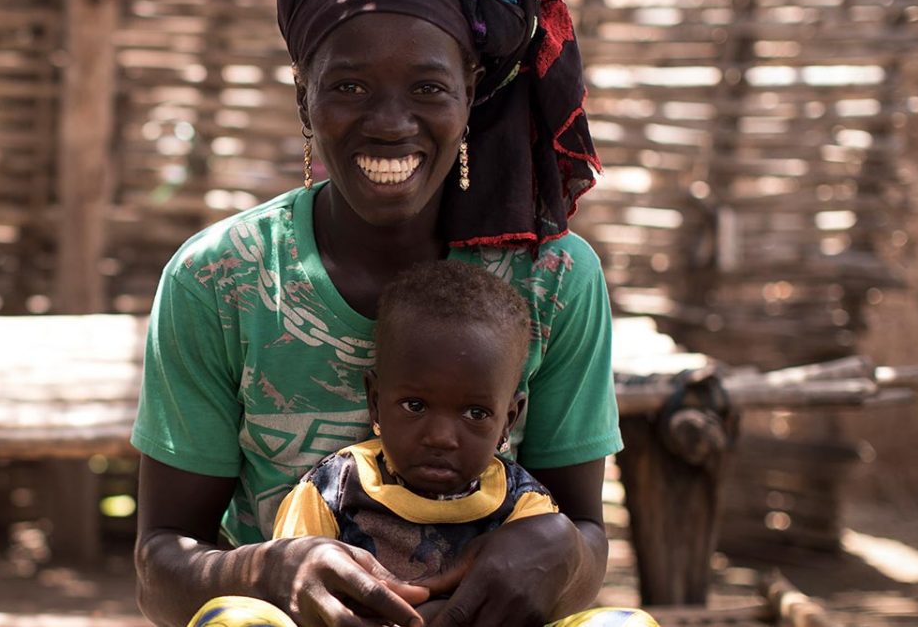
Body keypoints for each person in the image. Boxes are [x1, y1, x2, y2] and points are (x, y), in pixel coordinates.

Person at [131, 0, 620, 627]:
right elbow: (159, 569)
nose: (391, 123)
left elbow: (586, 541)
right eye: (350, 86)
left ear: (470, 94)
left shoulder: (552, 278)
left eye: (427, 87)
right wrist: (269, 570)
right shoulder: (222, 279)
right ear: (304, 101)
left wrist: (562, 553)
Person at [264, 261, 653, 627]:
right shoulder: (333, 492)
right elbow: (294, 590)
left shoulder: (524, 508)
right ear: (375, 401)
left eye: (476, 414)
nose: (441, 437)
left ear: (509, 420)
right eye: (415, 405)